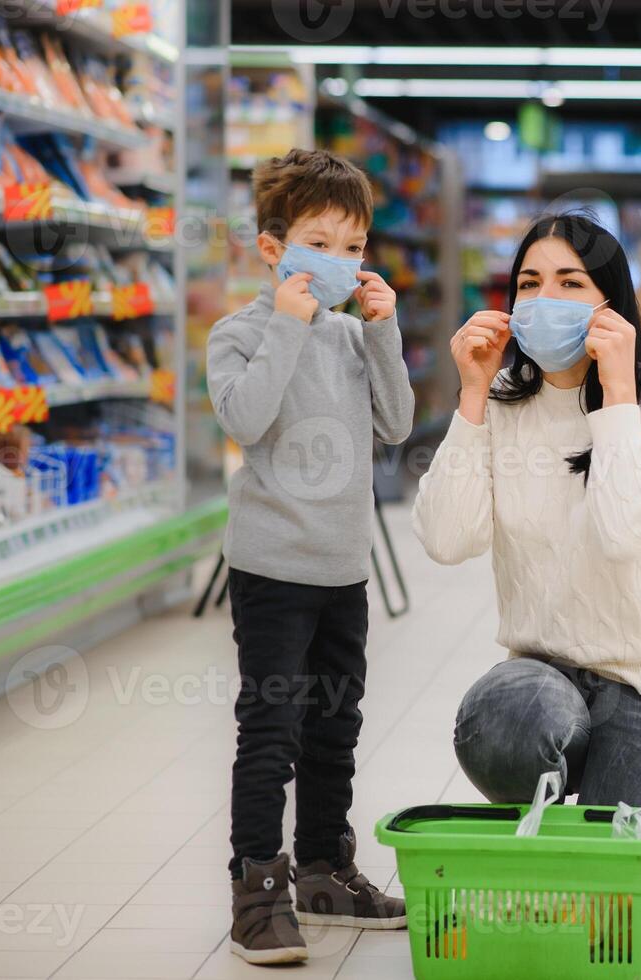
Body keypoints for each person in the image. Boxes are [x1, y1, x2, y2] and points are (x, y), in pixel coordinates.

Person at [412, 212, 641, 914]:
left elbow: (627, 532)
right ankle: (630, 777)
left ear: (610, 302)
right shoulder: (505, 405)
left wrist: (617, 390)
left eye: (571, 282)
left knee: (607, 914)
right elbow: (446, 539)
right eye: (529, 284)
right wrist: (472, 396)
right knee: (503, 722)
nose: (545, 300)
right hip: (545, 680)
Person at [207, 148, 413, 965]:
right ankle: (258, 891)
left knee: (335, 728)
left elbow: (396, 424)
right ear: (273, 247)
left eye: (354, 247)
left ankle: (327, 868)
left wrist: (384, 327)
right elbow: (247, 422)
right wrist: (290, 326)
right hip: (272, 574)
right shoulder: (240, 332)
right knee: (272, 730)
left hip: (343, 570)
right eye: (320, 243)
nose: (339, 262)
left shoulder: (353, 338)